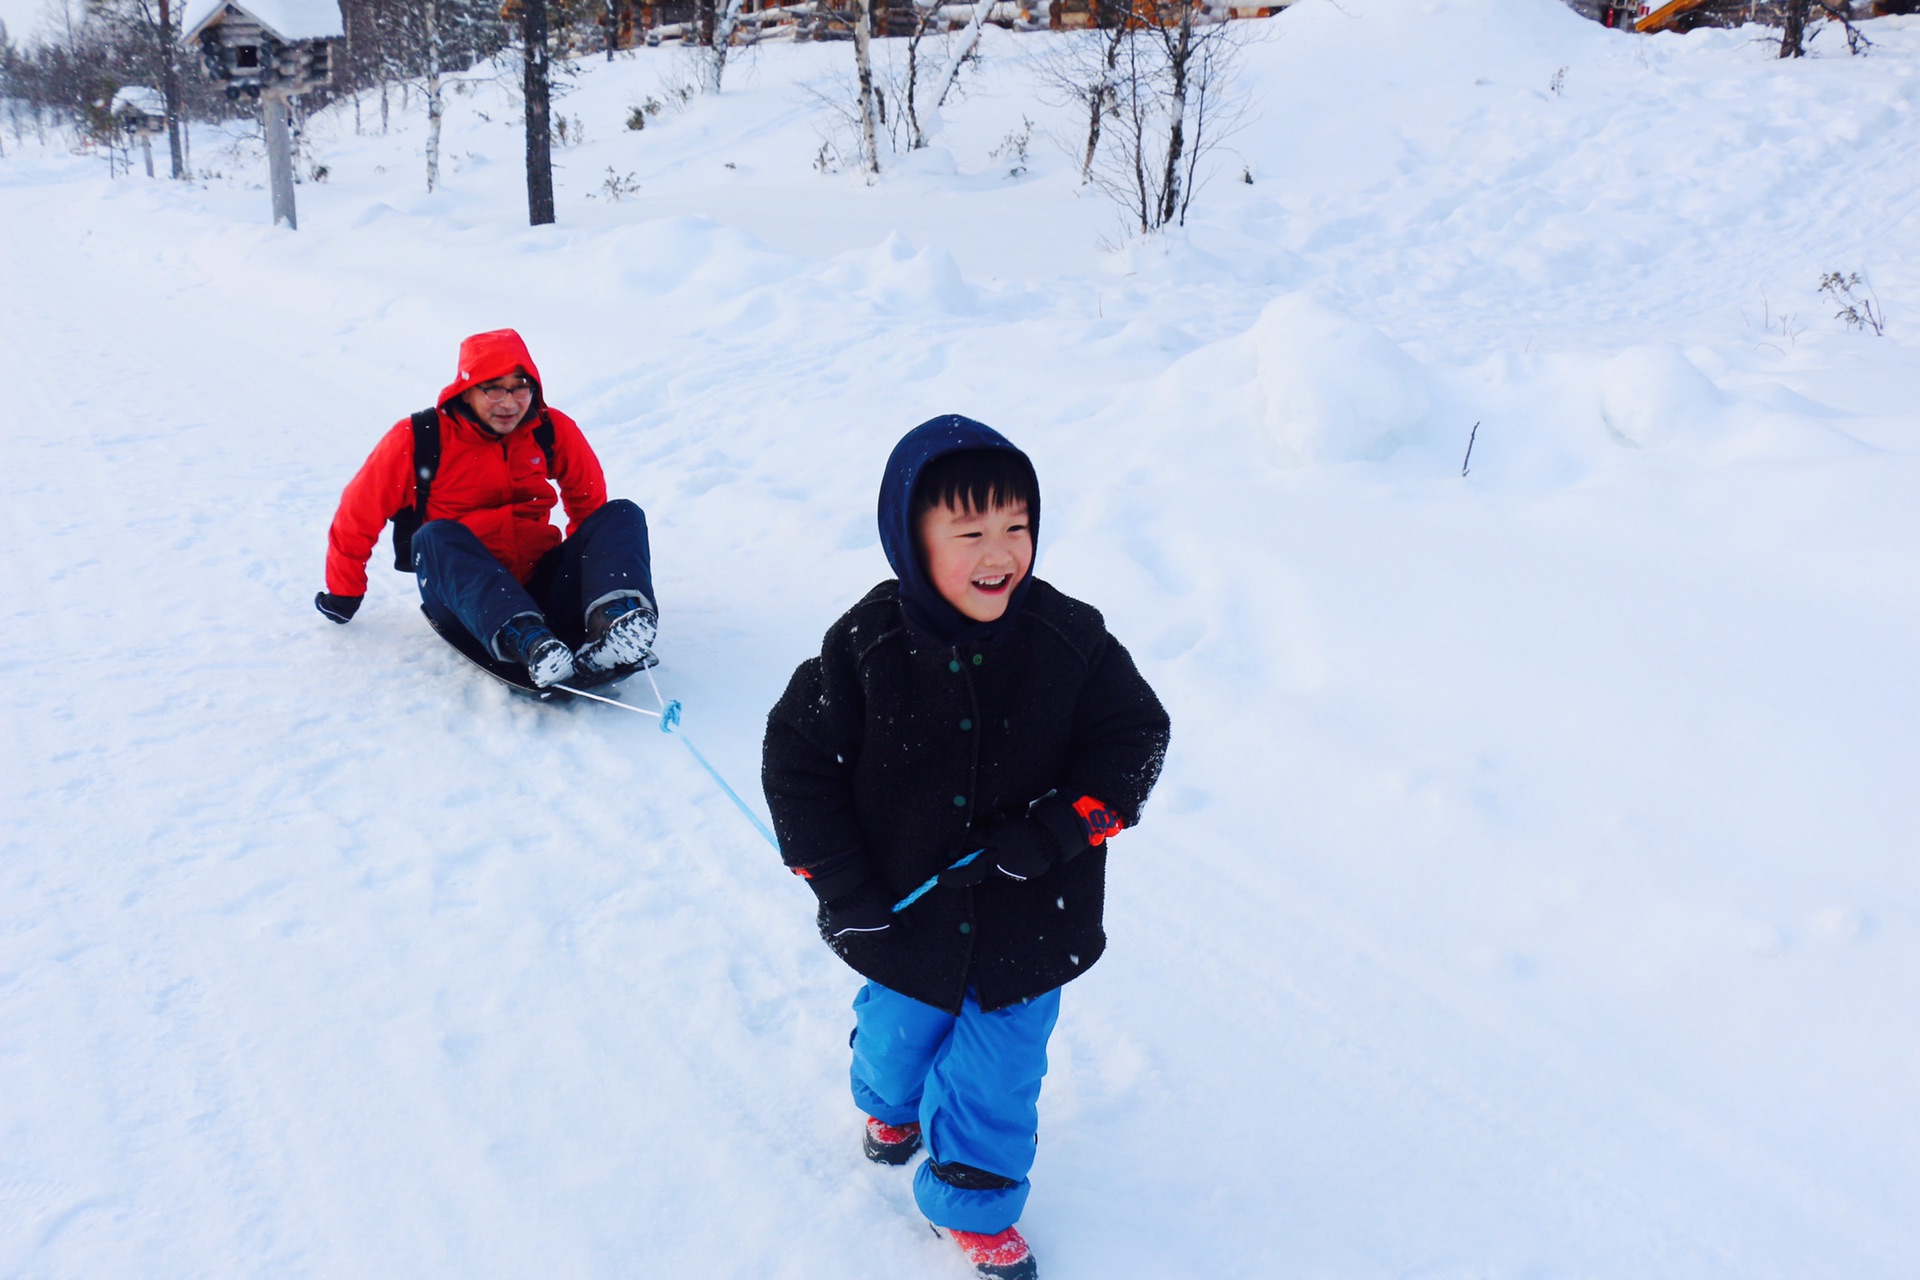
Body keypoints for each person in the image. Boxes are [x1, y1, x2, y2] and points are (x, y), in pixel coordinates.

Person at [762, 414, 1170, 1279]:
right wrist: (842, 886)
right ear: (911, 541)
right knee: (898, 1034)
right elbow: (798, 762)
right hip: (905, 915)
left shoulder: (1070, 640)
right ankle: (887, 1105)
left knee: (1002, 1067)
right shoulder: (865, 649)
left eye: (1018, 527)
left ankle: (973, 1198)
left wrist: (1058, 829)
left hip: (1032, 915)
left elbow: (1135, 739)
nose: (1001, 552)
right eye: (971, 531)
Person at [314, 329, 658, 686]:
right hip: (462, 596)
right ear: (467, 389)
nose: (508, 402)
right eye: (493, 388)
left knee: (621, 513)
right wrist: (344, 594)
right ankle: (525, 639)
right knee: (435, 534)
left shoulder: (549, 429)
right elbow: (358, 514)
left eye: (520, 387)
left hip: (537, 583)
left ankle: (611, 625)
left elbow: (589, 505)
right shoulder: (420, 437)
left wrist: (591, 584)